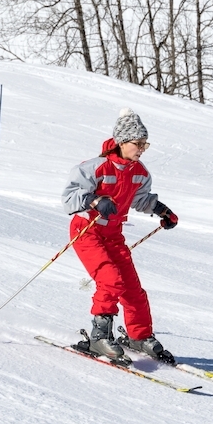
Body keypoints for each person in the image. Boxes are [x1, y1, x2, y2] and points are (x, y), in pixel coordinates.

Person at [60, 109, 180, 363]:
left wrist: (162, 210)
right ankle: (99, 336)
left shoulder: (139, 172)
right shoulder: (94, 168)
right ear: (122, 141)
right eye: (138, 144)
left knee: (132, 289)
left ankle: (140, 335)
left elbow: (142, 199)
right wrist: (94, 200)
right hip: (87, 230)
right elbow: (70, 198)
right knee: (110, 279)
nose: (142, 149)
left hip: (113, 234)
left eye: (144, 144)